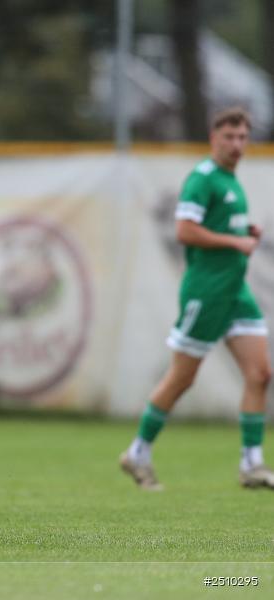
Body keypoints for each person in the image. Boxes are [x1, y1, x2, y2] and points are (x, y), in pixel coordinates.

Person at [119, 107, 274, 491]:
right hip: (206, 291)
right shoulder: (203, 179)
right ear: (213, 137)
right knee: (182, 378)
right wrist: (234, 241)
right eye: (229, 137)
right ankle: (137, 452)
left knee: (260, 374)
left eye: (242, 137)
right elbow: (185, 230)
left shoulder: (231, 181)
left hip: (235, 291)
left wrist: (244, 230)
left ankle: (252, 464)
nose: (237, 144)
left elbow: (220, 226)